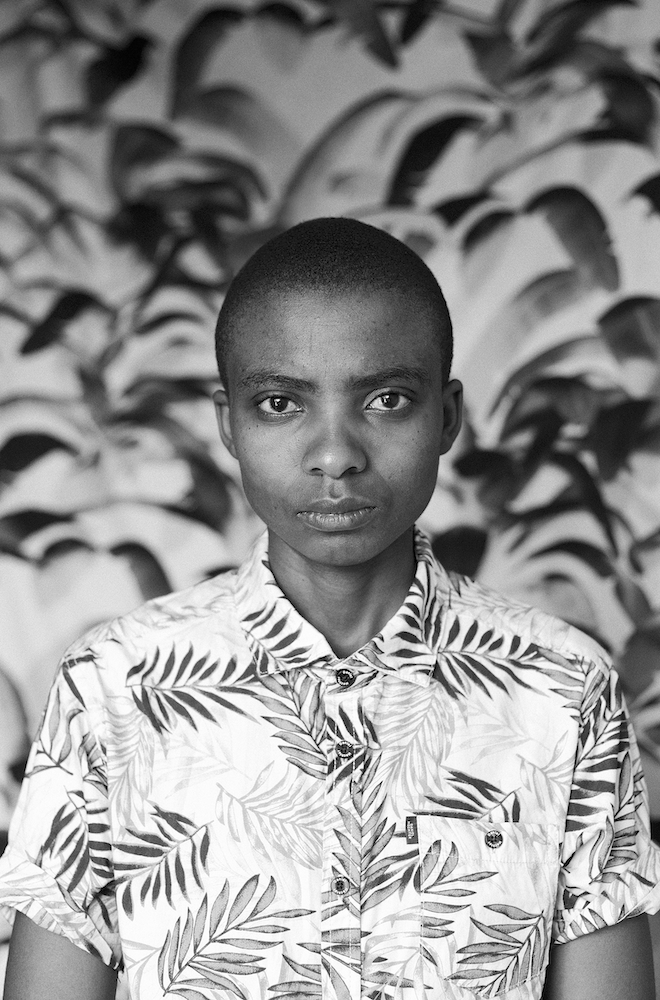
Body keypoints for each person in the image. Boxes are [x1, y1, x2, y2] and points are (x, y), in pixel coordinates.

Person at [0, 217, 658, 1000]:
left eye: (386, 398)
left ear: (446, 416)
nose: (336, 452)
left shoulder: (562, 690)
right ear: (229, 425)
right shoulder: (113, 689)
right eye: (280, 403)